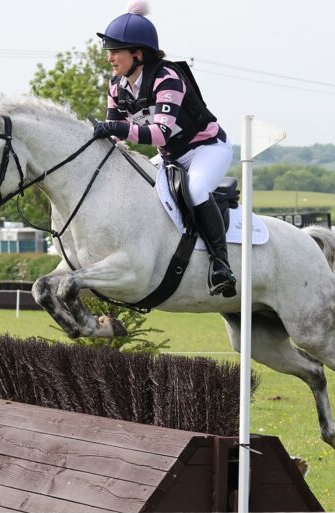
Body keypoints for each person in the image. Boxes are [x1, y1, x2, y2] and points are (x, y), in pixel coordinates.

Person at [93, 1, 236, 298]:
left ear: (138, 54)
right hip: (171, 156)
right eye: (109, 51)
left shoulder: (168, 78)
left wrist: (116, 129)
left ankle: (221, 264)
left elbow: (160, 133)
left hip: (206, 148)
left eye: (115, 51)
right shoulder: (116, 85)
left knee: (195, 189)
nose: (110, 58)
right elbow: (114, 135)